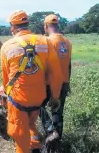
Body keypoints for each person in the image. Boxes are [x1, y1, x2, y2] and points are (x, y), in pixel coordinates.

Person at [0, 10, 63, 153]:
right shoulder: (45, 41)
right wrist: (55, 96)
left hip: (18, 100)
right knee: (31, 124)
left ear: (12, 27)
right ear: (27, 24)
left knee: (19, 134)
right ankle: (35, 146)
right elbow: (56, 73)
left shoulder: (7, 46)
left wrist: (6, 95)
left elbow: (5, 77)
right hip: (39, 98)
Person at [40, 14, 72, 144]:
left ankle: (49, 129)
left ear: (46, 26)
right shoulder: (68, 42)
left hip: (48, 83)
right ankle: (57, 141)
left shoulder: (45, 42)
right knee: (58, 111)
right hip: (63, 82)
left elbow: (42, 65)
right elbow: (69, 64)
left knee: (38, 106)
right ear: (58, 25)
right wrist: (68, 82)